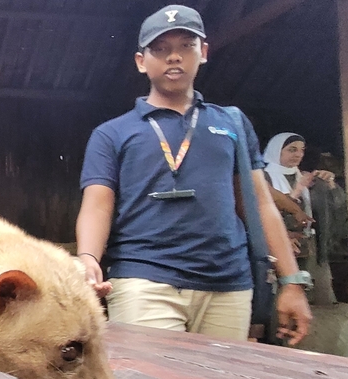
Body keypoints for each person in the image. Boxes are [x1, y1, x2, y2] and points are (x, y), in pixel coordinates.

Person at [75, 4, 313, 345]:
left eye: (185, 46)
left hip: (228, 284)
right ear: (142, 61)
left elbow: (260, 204)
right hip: (144, 281)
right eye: (161, 49)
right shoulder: (112, 133)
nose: (174, 57)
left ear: (203, 52)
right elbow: (98, 204)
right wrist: (88, 259)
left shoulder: (231, 123)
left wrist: (292, 281)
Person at [263, 133, 340, 304]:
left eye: (301, 150)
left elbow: (337, 209)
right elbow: (264, 210)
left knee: (318, 300)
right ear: (277, 151)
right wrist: (297, 190)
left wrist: (330, 185)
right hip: (280, 248)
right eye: (292, 150)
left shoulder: (307, 178)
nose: (298, 155)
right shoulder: (263, 178)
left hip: (310, 248)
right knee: (282, 297)